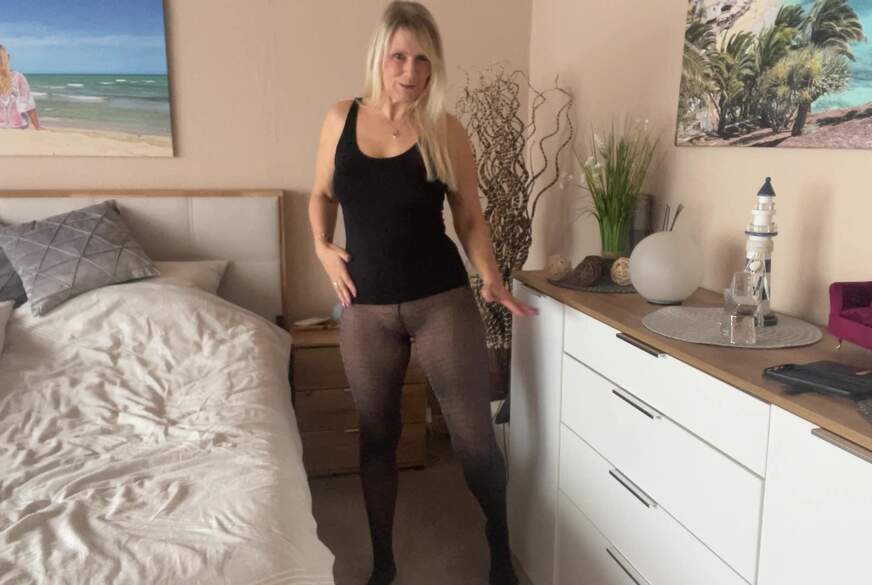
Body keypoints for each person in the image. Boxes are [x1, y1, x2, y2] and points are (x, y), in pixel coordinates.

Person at [307, 2, 537, 584]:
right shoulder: (339, 118)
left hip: (440, 301)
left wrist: (490, 276)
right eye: (399, 57)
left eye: (423, 60)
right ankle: (383, 563)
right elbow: (321, 194)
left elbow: (469, 218)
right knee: (377, 437)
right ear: (379, 58)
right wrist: (321, 247)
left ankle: (500, 549)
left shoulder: (445, 130)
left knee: (474, 440)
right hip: (365, 309)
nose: (411, 71)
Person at [0, 44, 41, 130]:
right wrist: (38, 127)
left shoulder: (18, 77)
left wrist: (37, 126)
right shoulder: (18, 77)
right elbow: (28, 104)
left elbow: (28, 104)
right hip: (17, 125)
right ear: (8, 57)